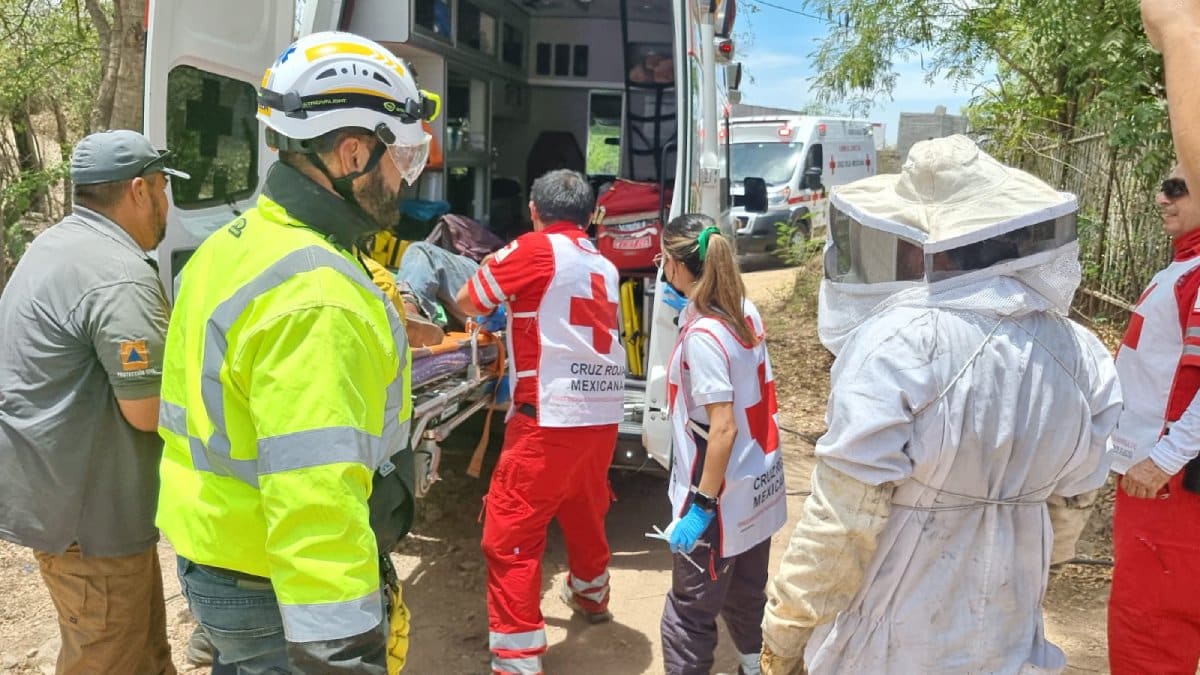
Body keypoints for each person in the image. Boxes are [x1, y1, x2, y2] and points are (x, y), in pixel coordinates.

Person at [759, 135, 1121, 674]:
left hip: (889, 643)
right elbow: (1070, 509)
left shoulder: (900, 340)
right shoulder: (1081, 352)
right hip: (1008, 635)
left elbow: (842, 520)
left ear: (931, 246)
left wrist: (784, 635)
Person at [155, 31, 438, 673]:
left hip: (217, 556)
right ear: (352, 152)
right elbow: (316, 496)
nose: (406, 178)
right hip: (274, 583)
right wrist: (338, 654)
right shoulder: (319, 297)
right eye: (404, 157)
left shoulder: (236, 244)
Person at [0, 129, 188, 674]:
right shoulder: (118, 276)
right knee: (106, 656)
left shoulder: (58, 243)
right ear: (137, 190)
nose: (166, 206)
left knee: (145, 652)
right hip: (89, 520)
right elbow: (149, 411)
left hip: (74, 503)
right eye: (162, 190)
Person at [455, 168, 625, 675]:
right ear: (591, 217)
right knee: (583, 505)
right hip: (602, 414)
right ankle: (592, 596)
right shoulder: (603, 262)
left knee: (507, 536)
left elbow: (468, 300)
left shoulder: (532, 249)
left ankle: (517, 659)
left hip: (549, 415)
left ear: (534, 210)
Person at [656, 215, 787, 675]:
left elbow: (724, 427)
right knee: (748, 592)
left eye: (663, 260)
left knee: (687, 616)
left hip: (722, 496)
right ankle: (756, 666)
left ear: (677, 266)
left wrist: (700, 507)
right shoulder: (743, 310)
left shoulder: (705, 335)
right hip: (758, 485)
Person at [1106, 165, 1200, 672]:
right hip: (1160, 482)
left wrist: (1164, 458)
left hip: (1172, 492)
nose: (1160, 197)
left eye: (1176, 188)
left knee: (1151, 632)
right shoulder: (1184, 266)